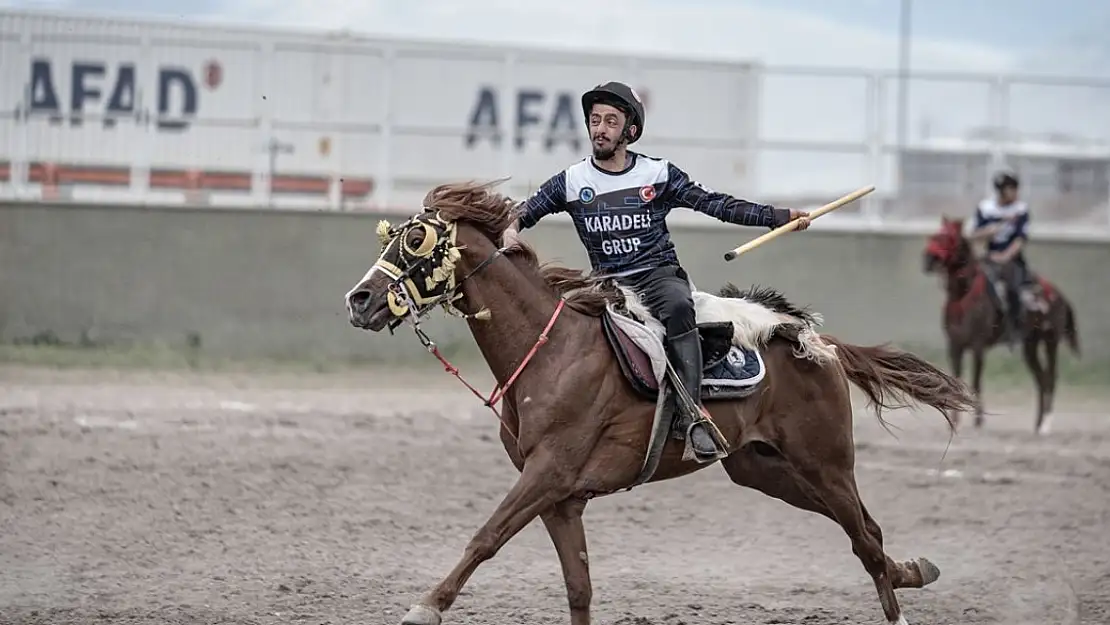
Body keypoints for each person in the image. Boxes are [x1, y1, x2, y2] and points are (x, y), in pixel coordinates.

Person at [501, 81, 811, 463]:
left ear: (629, 132)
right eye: (595, 120)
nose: (600, 128)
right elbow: (523, 212)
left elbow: (716, 204)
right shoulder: (571, 181)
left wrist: (778, 218)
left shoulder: (658, 173)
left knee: (679, 308)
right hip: (607, 286)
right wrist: (511, 230)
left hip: (658, 277)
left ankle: (695, 417)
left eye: (610, 121)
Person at [969, 169, 1033, 348]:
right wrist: (987, 232)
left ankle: (1014, 330)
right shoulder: (985, 208)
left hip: (1011, 260)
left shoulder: (1020, 210)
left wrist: (1005, 256)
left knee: (1013, 288)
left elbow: (1021, 239)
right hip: (988, 257)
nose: (1016, 192)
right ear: (1003, 190)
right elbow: (973, 234)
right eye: (1012, 188)